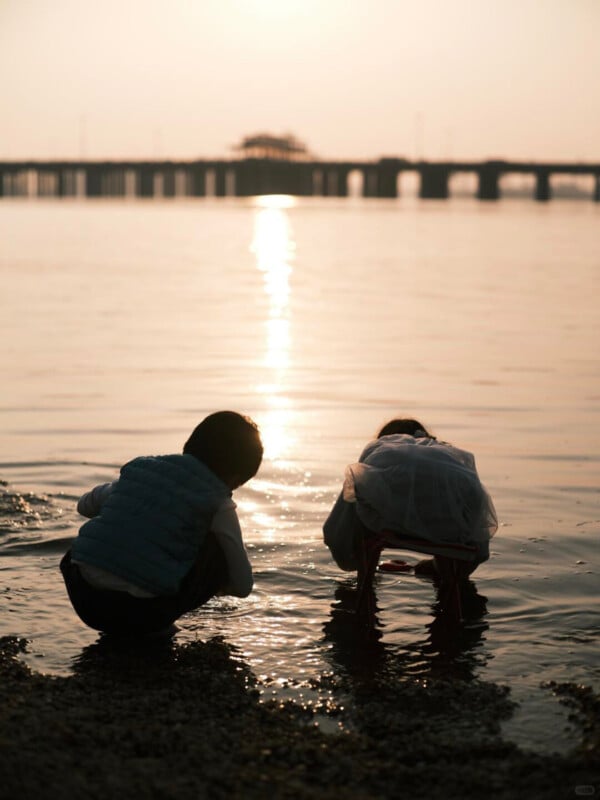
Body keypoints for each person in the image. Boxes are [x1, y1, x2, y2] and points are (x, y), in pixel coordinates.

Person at [61, 411, 263, 635]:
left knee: (99, 535)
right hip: (143, 612)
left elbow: (84, 506)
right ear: (235, 479)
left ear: (190, 445)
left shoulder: (140, 470)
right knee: (217, 551)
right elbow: (243, 586)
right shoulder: (218, 503)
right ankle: (159, 626)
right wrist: (216, 586)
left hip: (82, 594)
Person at [323, 418, 497, 587]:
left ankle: (366, 580)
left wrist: (350, 558)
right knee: (451, 524)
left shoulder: (379, 449)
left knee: (362, 507)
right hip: (449, 526)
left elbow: (337, 526)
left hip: (383, 524)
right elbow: (478, 539)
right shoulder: (452, 457)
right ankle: (447, 577)